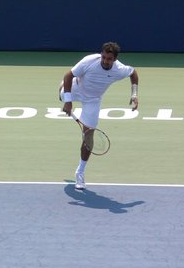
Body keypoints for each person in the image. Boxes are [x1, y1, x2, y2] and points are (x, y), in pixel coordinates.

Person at [59, 42, 139, 190]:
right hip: (76, 88)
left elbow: (133, 73)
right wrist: (69, 102)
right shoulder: (89, 61)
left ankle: (80, 172)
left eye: (109, 59)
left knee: (88, 136)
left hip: (93, 100)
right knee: (63, 95)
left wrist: (134, 94)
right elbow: (68, 75)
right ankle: (63, 91)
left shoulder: (120, 69)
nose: (105, 61)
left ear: (114, 59)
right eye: (103, 57)